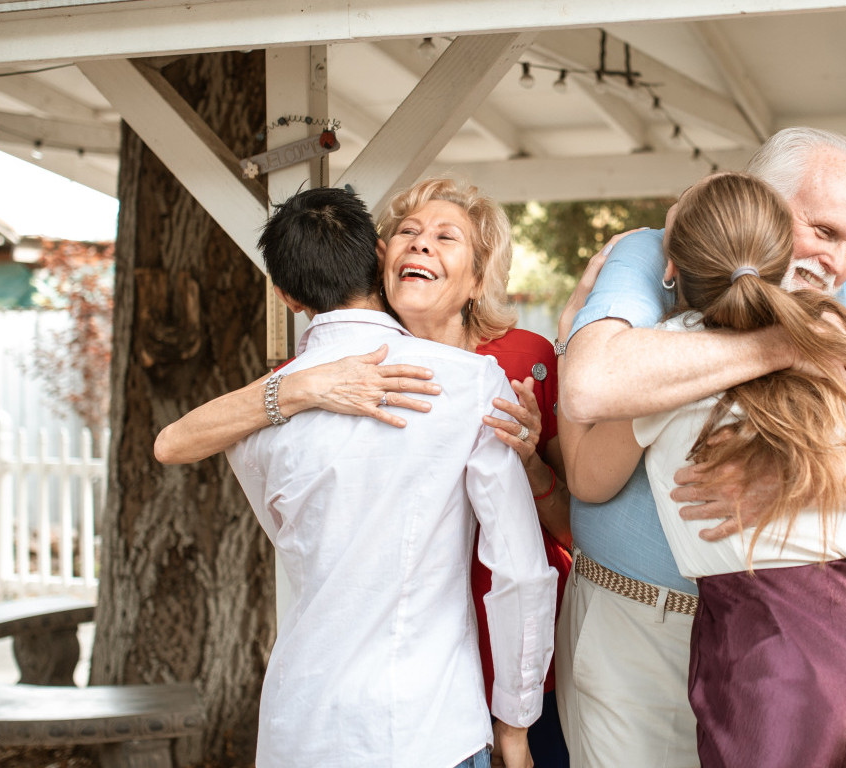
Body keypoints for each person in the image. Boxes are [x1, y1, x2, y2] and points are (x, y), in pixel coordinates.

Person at [552, 128, 846, 767]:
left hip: (776, 649)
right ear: (758, 200)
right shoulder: (652, 254)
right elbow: (591, 385)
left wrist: (791, 477)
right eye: (824, 231)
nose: (838, 262)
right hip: (637, 623)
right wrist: (780, 345)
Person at [154, 177, 573, 767]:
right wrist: (514, 724)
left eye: (444, 236)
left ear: (285, 296)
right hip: (431, 722)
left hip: (302, 725)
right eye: (408, 232)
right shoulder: (468, 386)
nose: (421, 245)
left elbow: (288, 530)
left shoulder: (256, 414)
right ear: (380, 257)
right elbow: (521, 574)